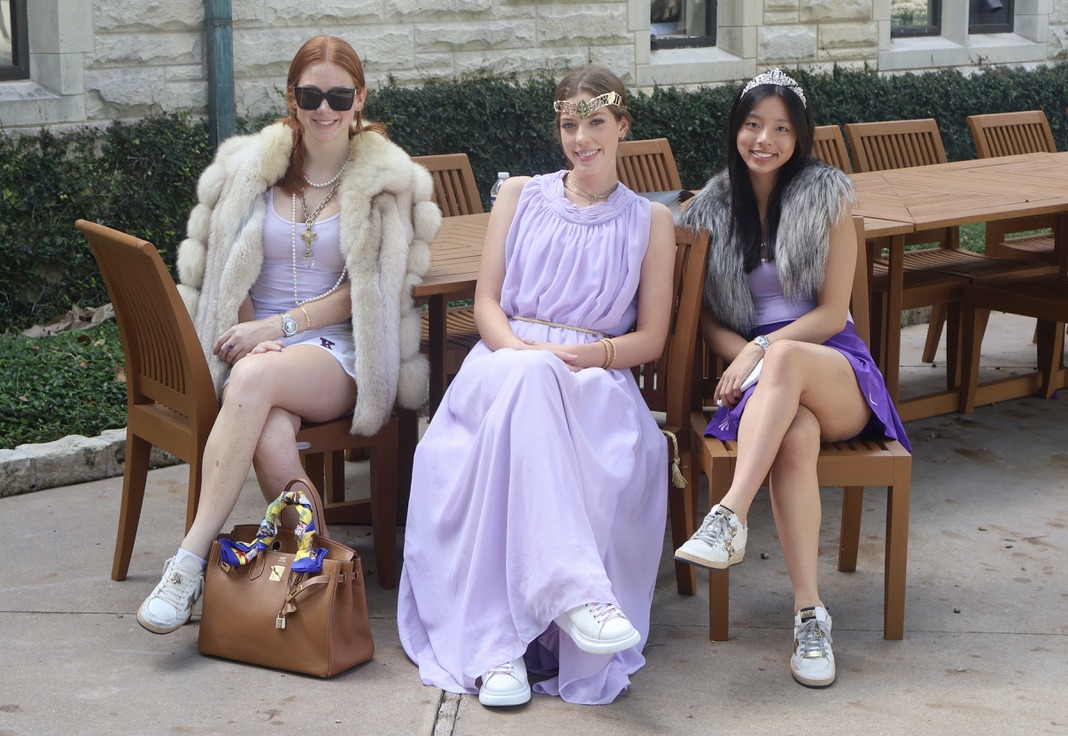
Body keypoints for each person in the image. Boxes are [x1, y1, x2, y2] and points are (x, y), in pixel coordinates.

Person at [136, 35, 440, 635]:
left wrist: (279, 328)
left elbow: (368, 294)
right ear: (291, 98)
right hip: (259, 347)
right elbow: (231, 264)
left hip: (339, 350)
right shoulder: (253, 169)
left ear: (359, 101)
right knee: (271, 437)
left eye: (337, 96)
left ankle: (190, 559)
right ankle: (321, 584)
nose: (323, 109)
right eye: (310, 95)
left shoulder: (386, 183)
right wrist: (253, 328)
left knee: (252, 379)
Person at [397, 66, 676, 707]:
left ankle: (502, 648)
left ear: (622, 126)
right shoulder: (519, 194)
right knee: (527, 382)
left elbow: (651, 339)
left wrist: (582, 355)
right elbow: (487, 303)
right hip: (505, 360)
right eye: (570, 124)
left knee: (541, 391)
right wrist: (525, 354)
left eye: (596, 123)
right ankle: (572, 597)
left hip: (595, 378)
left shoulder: (649, 222)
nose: (582, 138)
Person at [675, 68, 912, 688]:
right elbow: (705, 320)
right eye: (753, 125)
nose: (765, 139)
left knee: (783, 362)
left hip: (835, 369)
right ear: (736, 130)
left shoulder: (829, 196)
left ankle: (728, 514)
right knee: (795, 438)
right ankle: (811, 616)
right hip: (769, 385)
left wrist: (759, 348)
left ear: (800, 136)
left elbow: (833, 314)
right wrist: (745, 354)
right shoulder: (713, 209)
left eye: (781, 128)